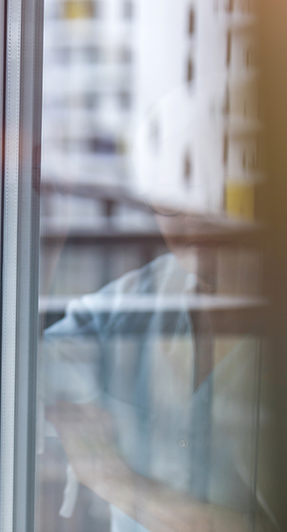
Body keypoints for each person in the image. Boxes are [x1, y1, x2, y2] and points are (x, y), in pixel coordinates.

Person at [42, 209, 275, 531]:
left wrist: (116, 482)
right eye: (168, 207)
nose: (190, 218)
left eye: (206, 196)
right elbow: (33, 360)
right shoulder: (143, 294)